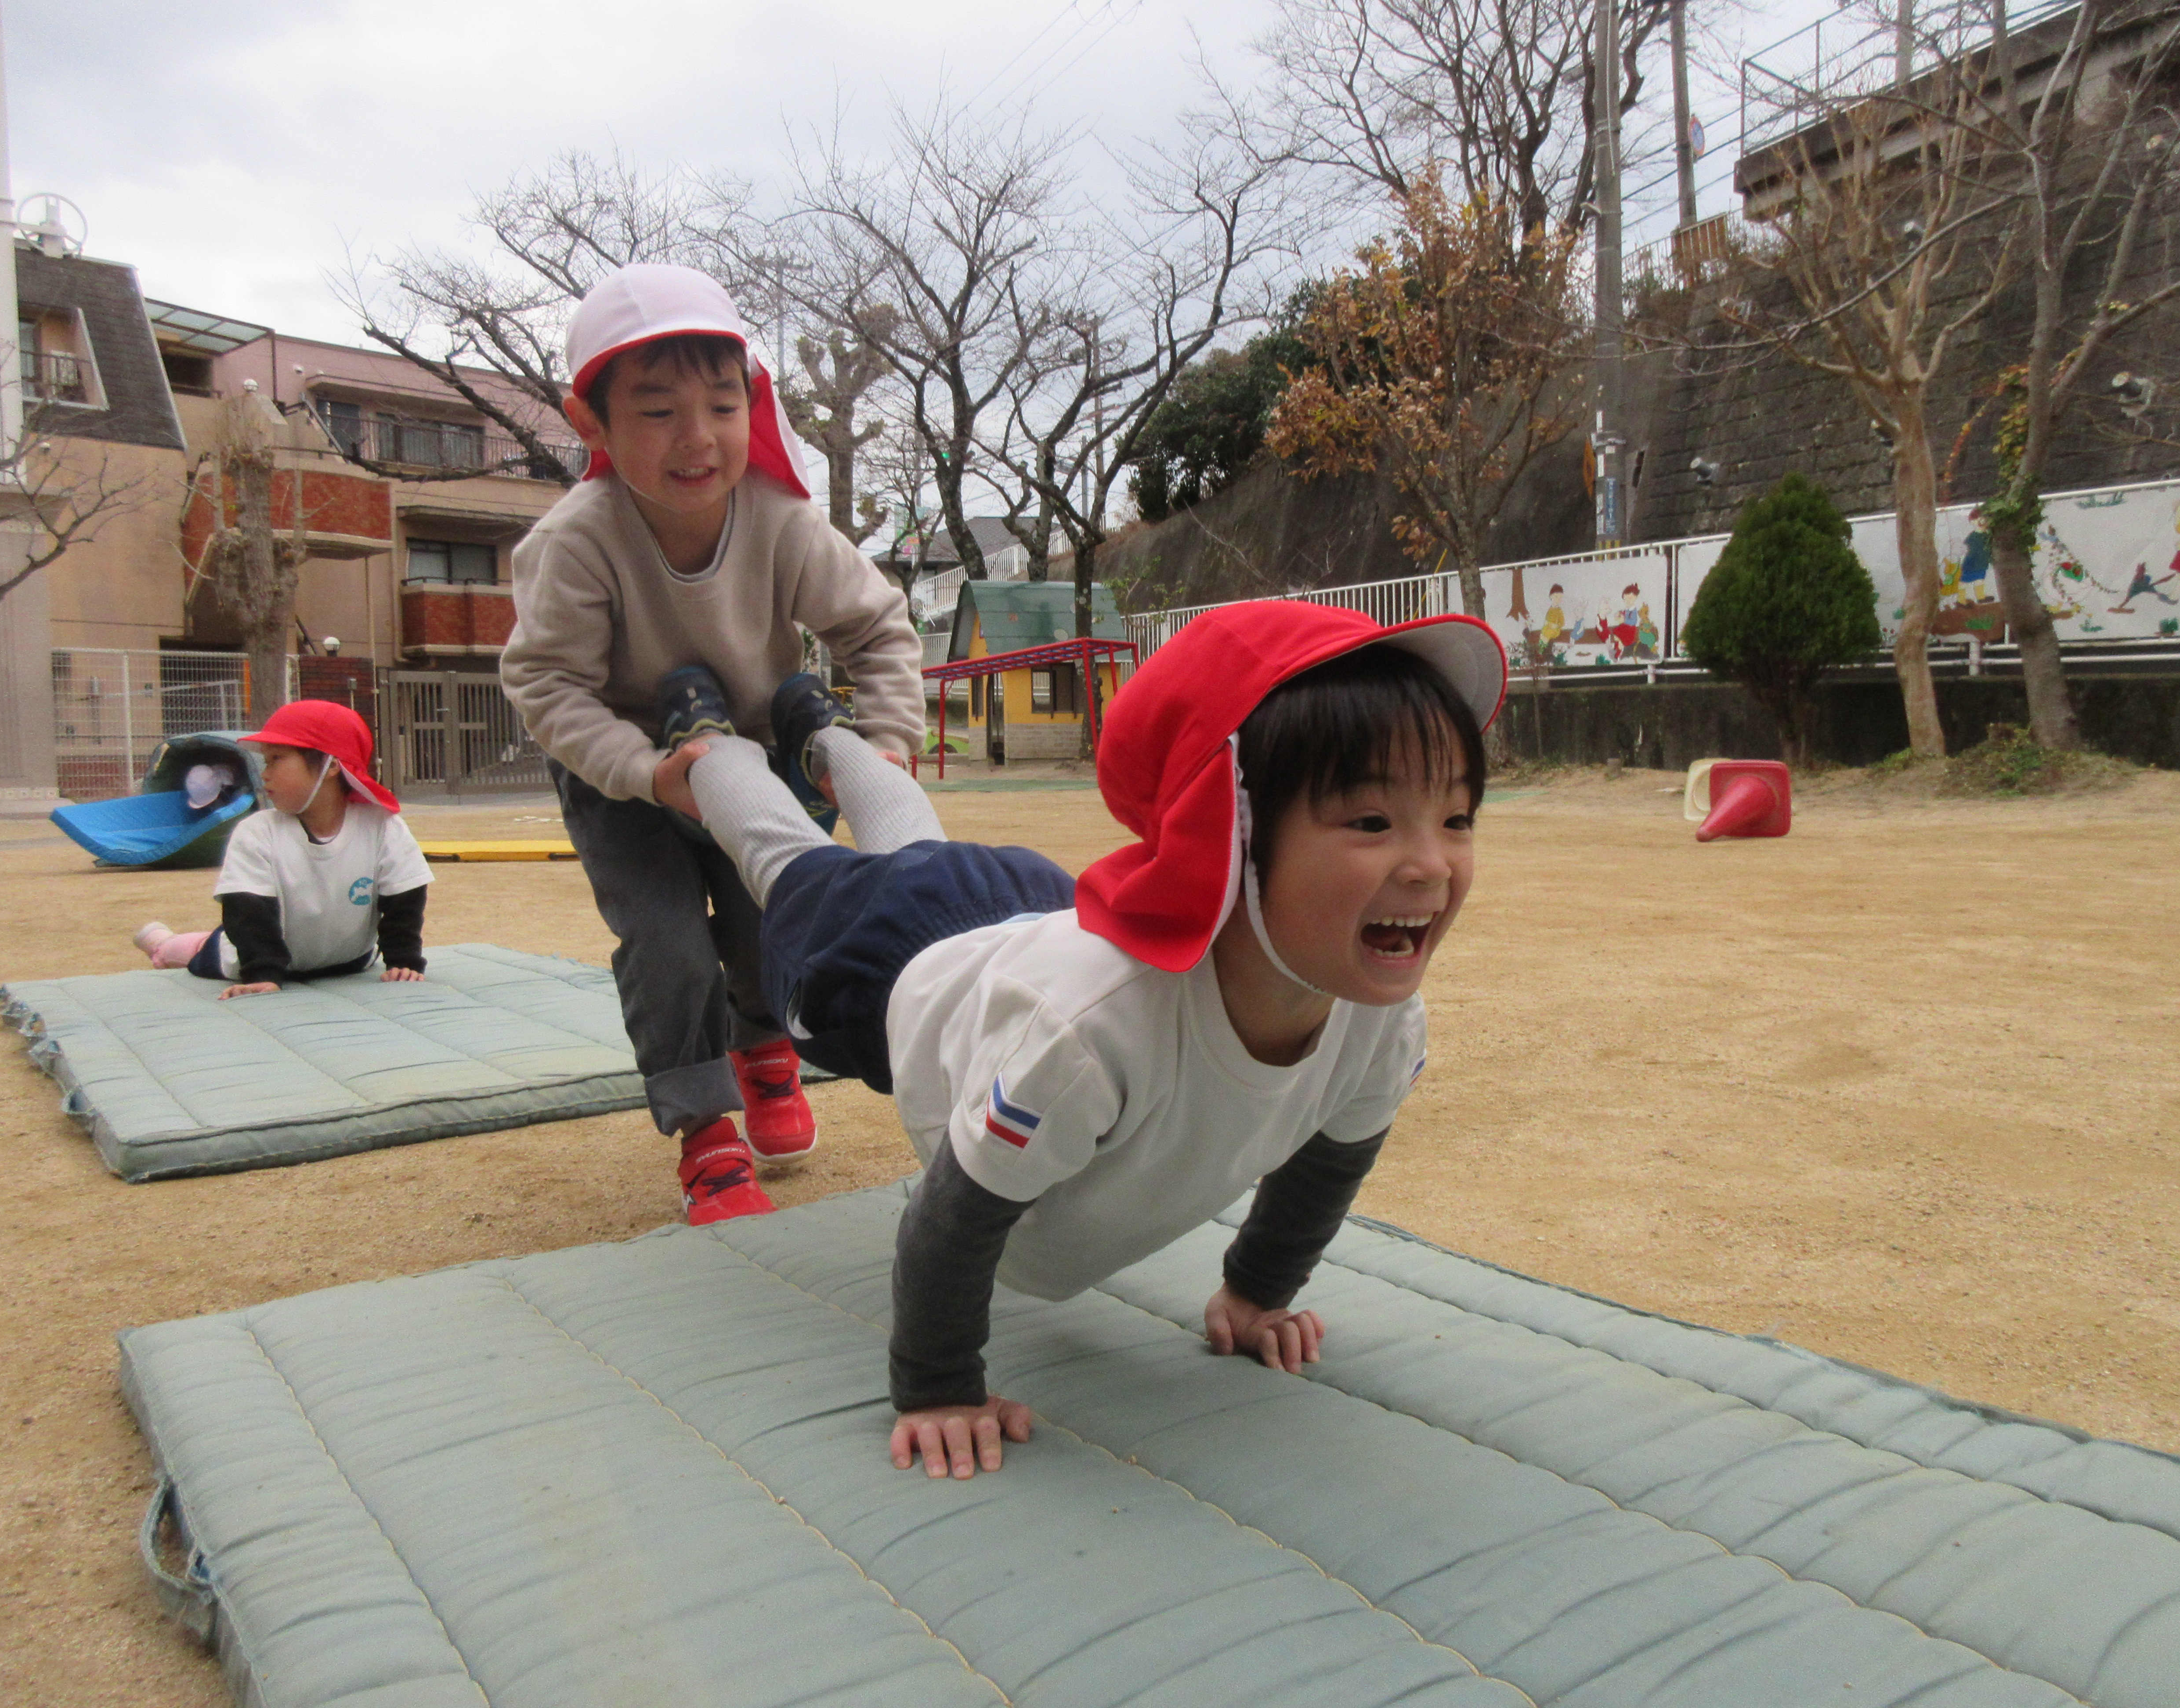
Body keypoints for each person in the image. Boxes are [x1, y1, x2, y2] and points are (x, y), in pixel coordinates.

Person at [665, 600, 1503, 1479]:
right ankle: (714, 746)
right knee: (790, 861)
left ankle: (825, 733)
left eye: (1456, 818)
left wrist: (1258, 1292)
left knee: (913, 848)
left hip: (1030, 925)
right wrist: (937, 1386)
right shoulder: (1090, 1035)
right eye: (1371, 822)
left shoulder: (1380, 1025)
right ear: (1229, 830)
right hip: (889, 959)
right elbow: (948, 1217)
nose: (1431, 865)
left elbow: (1329, 1158)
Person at [502, 264, 924, 1228]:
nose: (697, 437)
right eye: (657, 411)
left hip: (750, 757)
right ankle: (705, 1131)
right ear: (590, 422)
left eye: (722, 406)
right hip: (623, 769)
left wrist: (888, 744)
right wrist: (645, 773)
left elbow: (878, 627)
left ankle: (765, 1048)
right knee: (666, 941)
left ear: (753, 404)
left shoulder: (780, 520)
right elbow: (548, 684)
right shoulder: (577, 541)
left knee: (765, 915)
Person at [134, 701, 432, 996]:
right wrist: (262, 974)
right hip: (258, 955)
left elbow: (404, 900)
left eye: (277, 759)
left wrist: (404, 961)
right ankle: (163, 943)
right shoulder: (258, 832)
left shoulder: (382, 826)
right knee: (204, 949)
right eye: (266, 761)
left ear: (331, 766)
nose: (265, 773)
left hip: (349, 960)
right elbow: (247, 914)